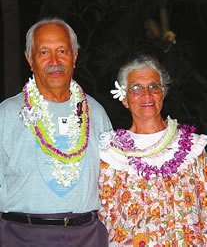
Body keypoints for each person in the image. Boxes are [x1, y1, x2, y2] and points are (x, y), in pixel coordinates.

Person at [0, 17, 112, 247]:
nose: (54, 61)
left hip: (87, 236)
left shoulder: (96, 113)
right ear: (30, 59)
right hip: (22, 236)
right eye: (43, 52)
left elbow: (112, 182)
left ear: (75, 57)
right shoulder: (7, 113)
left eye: (62, 50)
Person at [98, 54, 207, 246]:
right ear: (124, 98)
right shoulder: (111, 154)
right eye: (136, 88)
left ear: (163, 92)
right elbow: (106, 219)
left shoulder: (193, 149)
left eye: (153, 86)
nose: (146, 94)